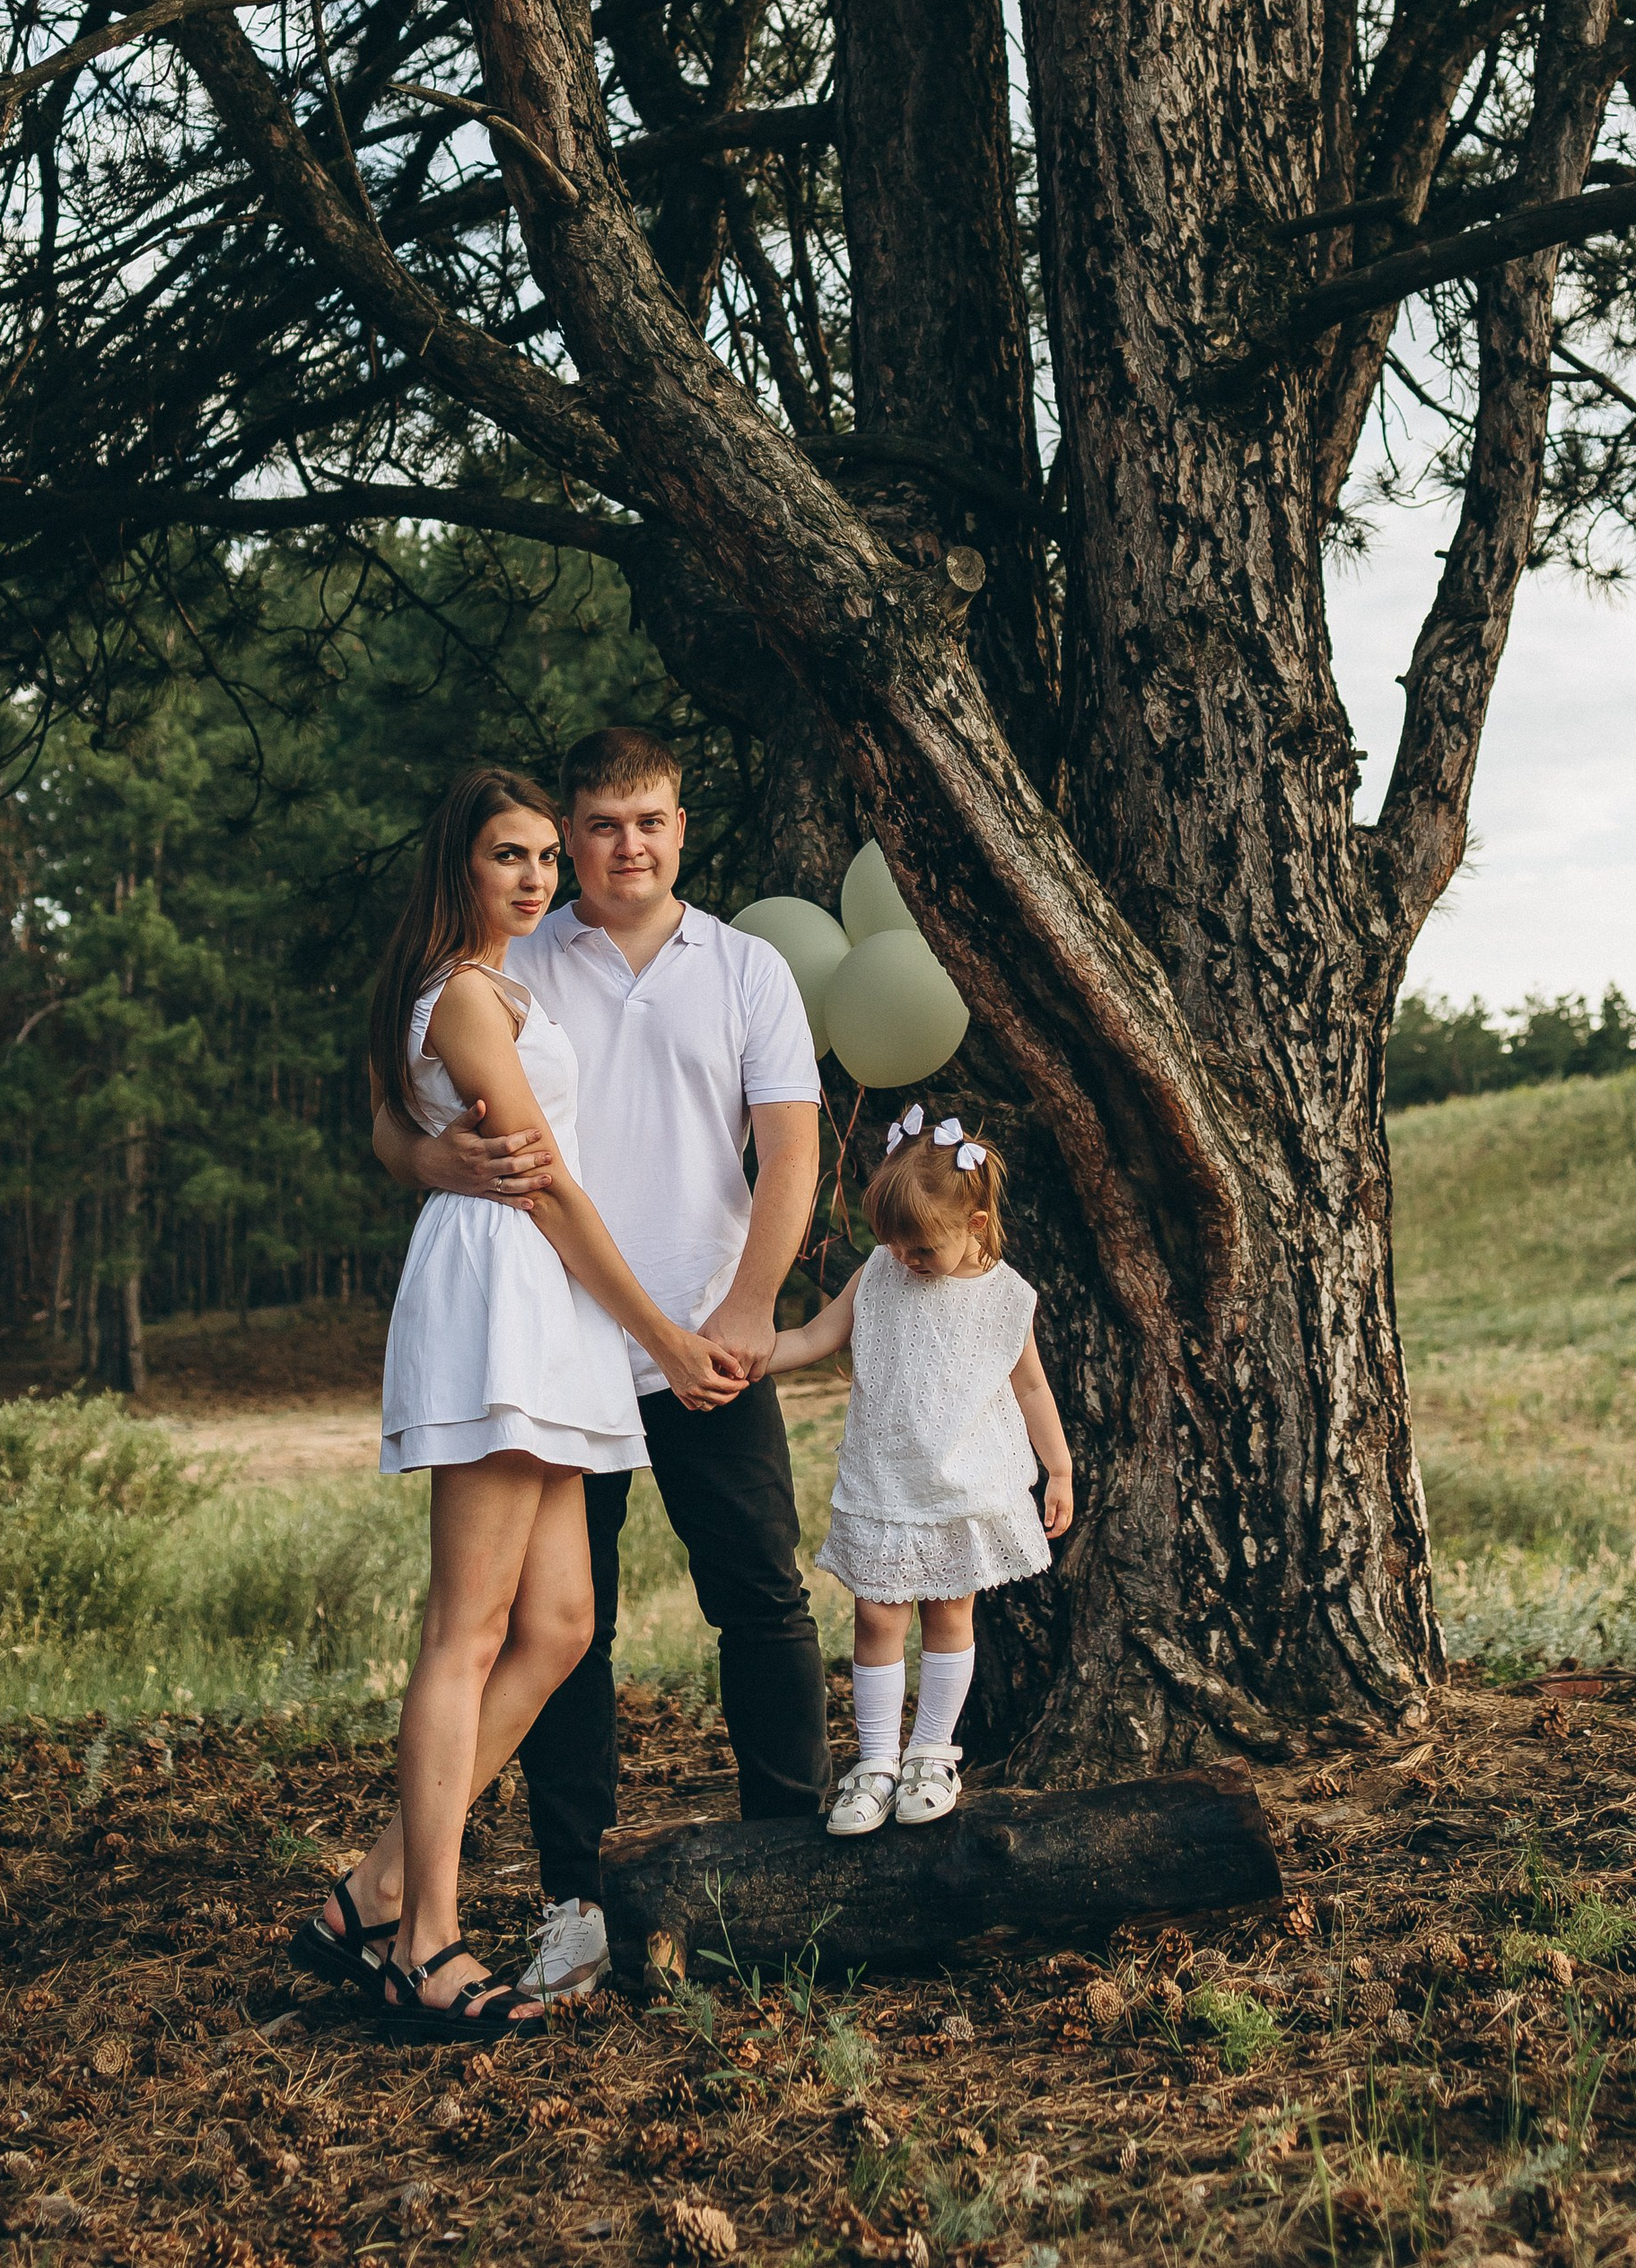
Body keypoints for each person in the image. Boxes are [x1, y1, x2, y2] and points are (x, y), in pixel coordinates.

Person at [371, 724, 828, 2011]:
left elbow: (790, 1151)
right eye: (602, 825)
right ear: (570, 837)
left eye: (652, 821)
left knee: (764, 1602)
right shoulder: (517, 950)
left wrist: (745, 1312)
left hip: (707, 1341)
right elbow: (400, 1108)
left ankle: (793, 1868)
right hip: (560, 1343)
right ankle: (574, 1901)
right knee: (569, 1634)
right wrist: (429, 1160)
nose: (629, 845)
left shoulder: (745, 969)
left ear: (682, 828)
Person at [295, 766, 746, 2039]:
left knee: (557, 1625)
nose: (539, 875)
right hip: (503, 1291)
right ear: (463, 864)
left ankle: (373, 1890)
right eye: (512, 854)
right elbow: (542, 1184)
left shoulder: (500, 985)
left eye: (548, 854)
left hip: (551, 1306)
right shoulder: (462, 993)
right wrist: (661, 1333)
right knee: (470, 1626)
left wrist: (419, 1149)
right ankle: (422, 1942)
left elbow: (400, 1124)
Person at [765, 1105, 1072, 1836]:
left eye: (921, 1247)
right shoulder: (880, 1272)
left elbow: (1031, 1387)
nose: (906, 1259)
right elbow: (814, 1335)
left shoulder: (1004, 1297)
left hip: (963, 1482)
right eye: (894, 1245)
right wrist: (749, 1357)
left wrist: (1057, 1469)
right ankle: (876, 1762)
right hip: (886, 1478)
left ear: (975, 1224)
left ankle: (931, 1754)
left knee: (950, 1614)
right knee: (876, 1616)